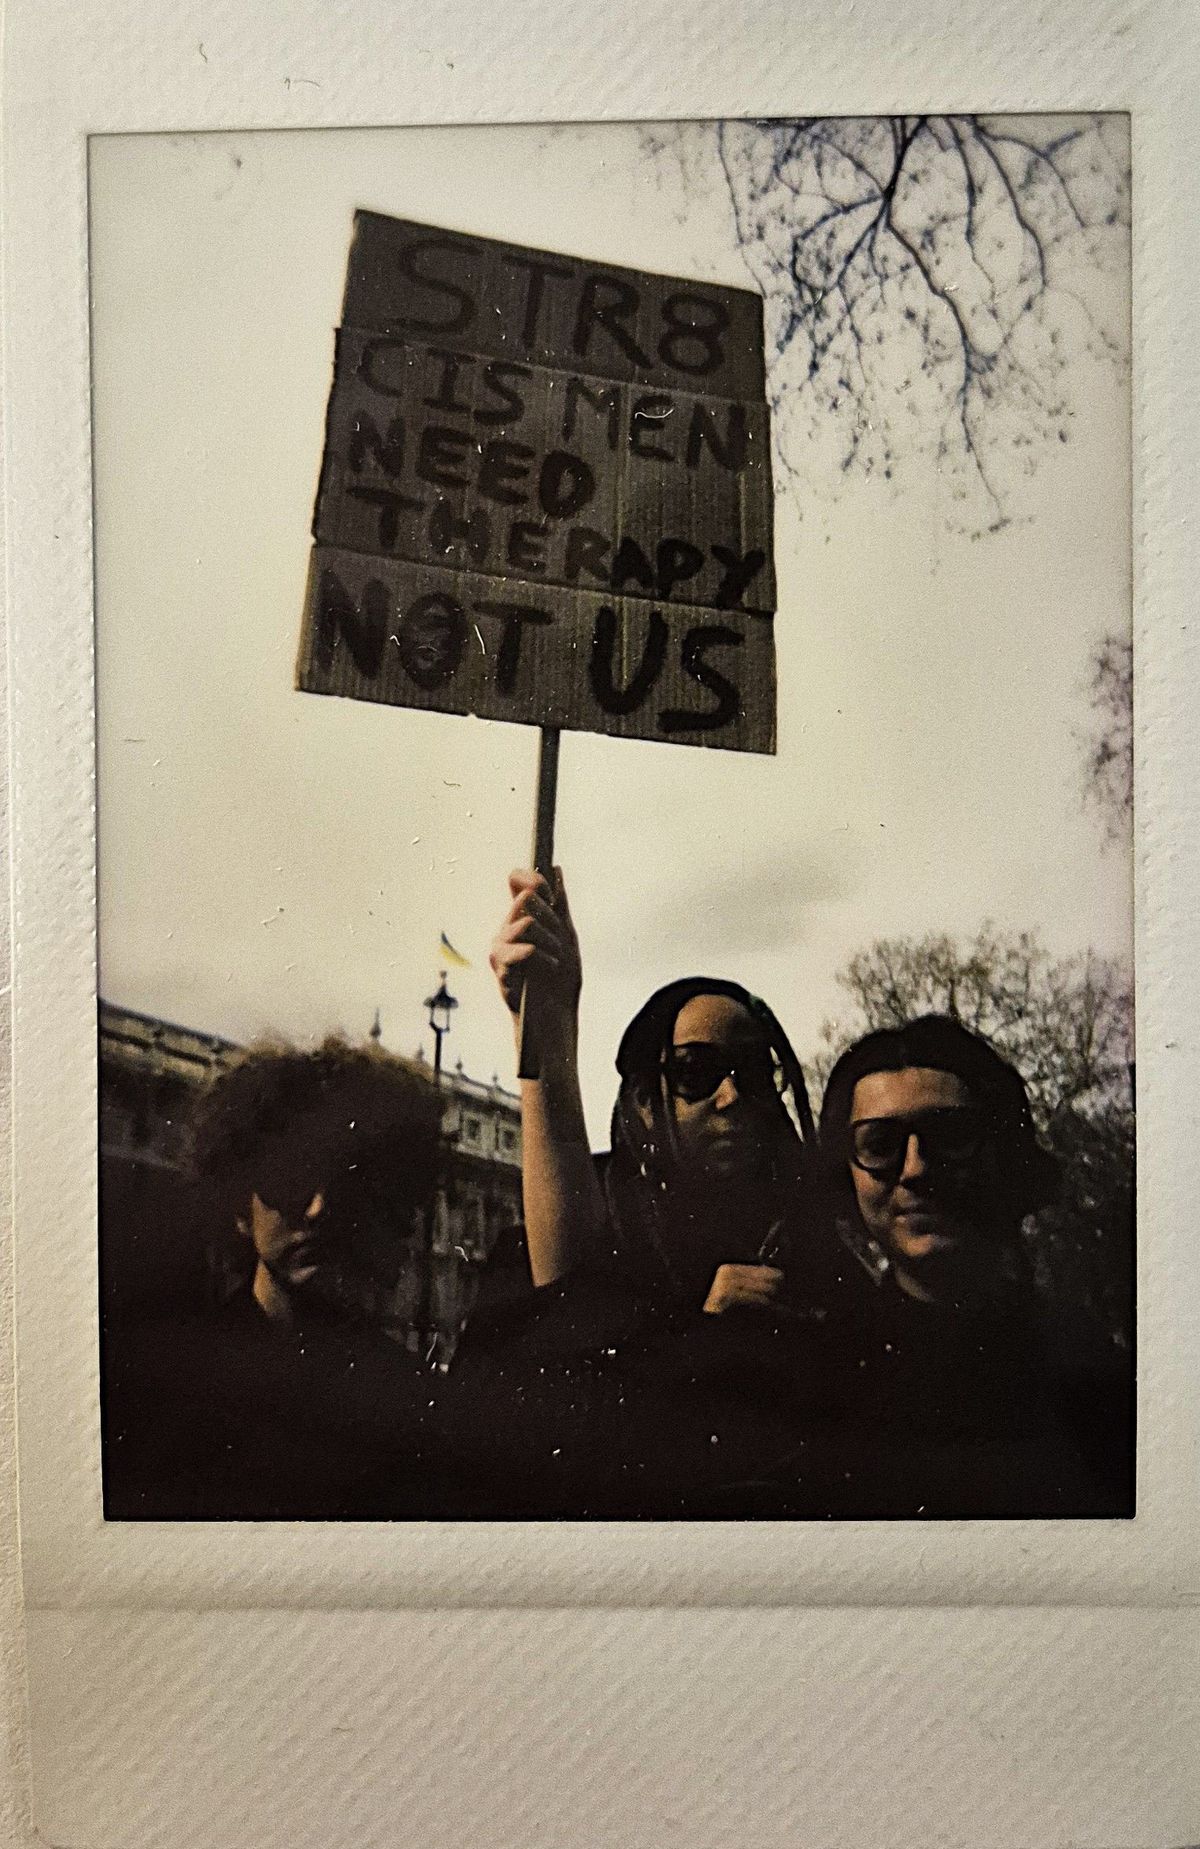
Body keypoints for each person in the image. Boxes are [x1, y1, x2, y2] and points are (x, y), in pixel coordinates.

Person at [103, 1037, 452, 1519]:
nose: (318, 1209)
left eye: (350, 1185)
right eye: (291, 1177)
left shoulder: (415, 1409)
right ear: (239, 1207)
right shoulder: (162, 1387)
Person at [808, 1014, 1129, 1515]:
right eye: (878, 1144)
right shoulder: (815, 1382)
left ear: (1005, 1154)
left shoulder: (1087, 1364)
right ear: (844, 1174)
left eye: (950, 1135)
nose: (915, 1168)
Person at [487, 867, 819, 1321]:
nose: (732, 1094)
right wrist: (548, 1021)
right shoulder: (600, 1216)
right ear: (643, 1101)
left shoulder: (811, 1226)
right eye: (695, 1070)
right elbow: (568, 1316)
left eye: (756, 1073)